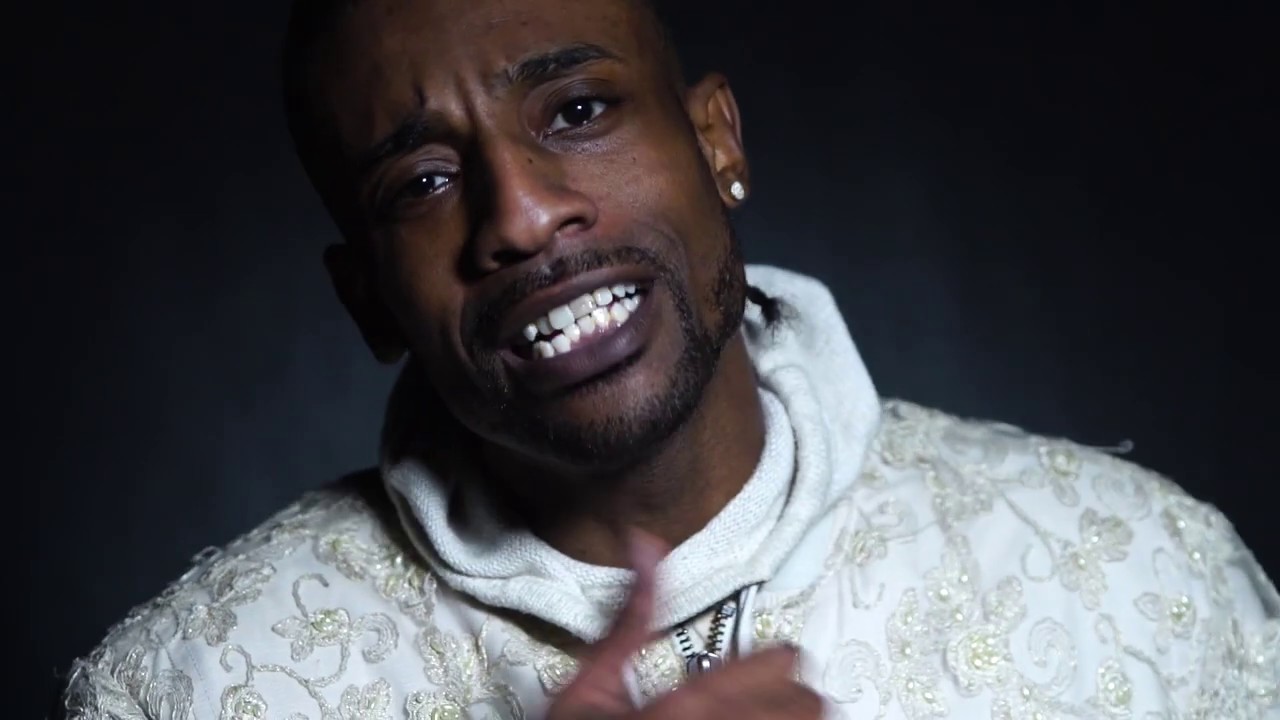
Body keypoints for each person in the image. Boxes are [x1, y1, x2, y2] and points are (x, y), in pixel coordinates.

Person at [60, 0, 1278, 717]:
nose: (519, 216)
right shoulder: (190, 689)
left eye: (576, 111)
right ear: (366, 299)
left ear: (716, 143)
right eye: (421, 182)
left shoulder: (1136, 568)